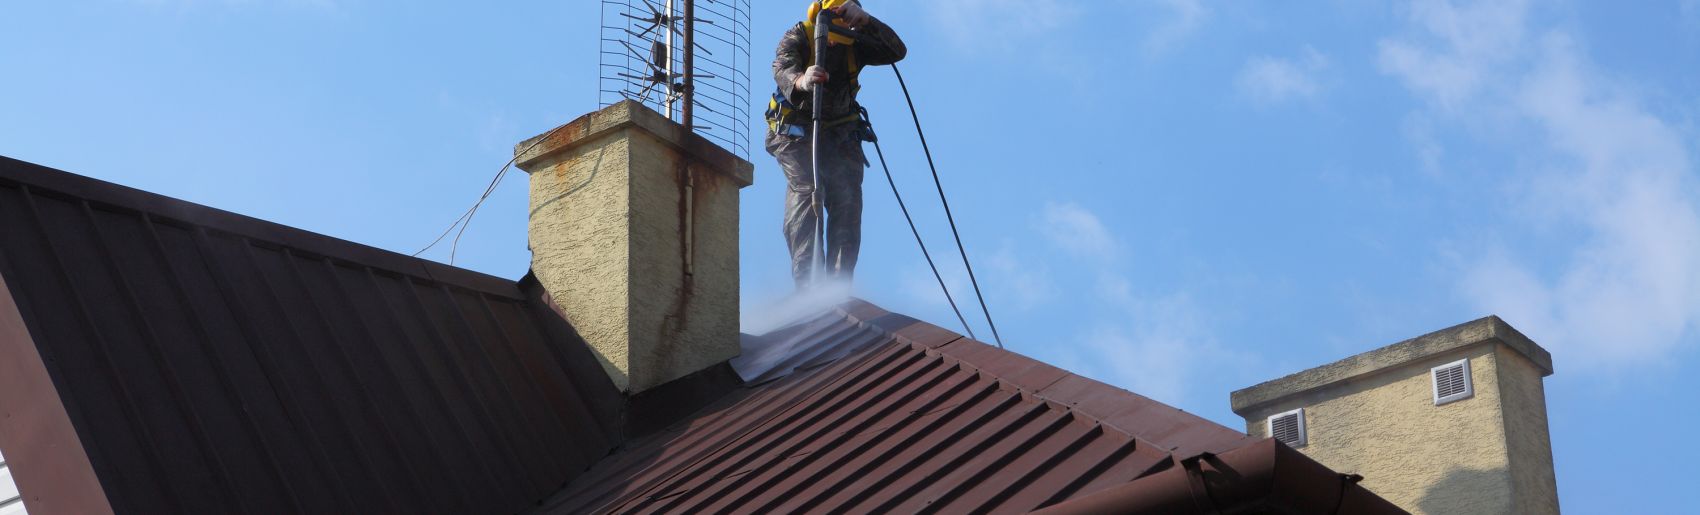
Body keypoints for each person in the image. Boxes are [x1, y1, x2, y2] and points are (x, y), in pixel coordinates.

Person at [765, 0, 906, 289]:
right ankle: (807, 286)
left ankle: (837, 289)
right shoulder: (799, 35)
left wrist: (867, 22)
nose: (834, 46)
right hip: (794, 131)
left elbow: (896, 51)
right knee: (808, 190)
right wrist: (801, 81)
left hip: (840, 132)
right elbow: (781, 67)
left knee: (848, 199)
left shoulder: (856, 43)